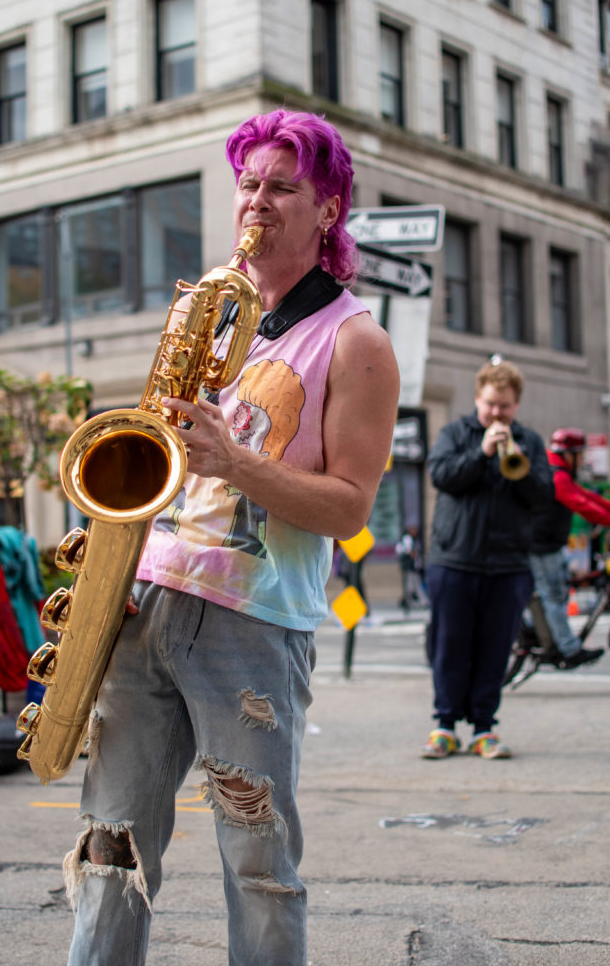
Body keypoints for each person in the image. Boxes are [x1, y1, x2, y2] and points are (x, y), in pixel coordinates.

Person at [64, 109, 399, 966]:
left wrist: (236, 461)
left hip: (251, 629)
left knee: (257, 863)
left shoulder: (357, 340)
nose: (257, 201)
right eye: (248, 183)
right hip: (148, 606)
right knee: (110, 847)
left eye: (282, 186)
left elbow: (351, 506)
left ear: (328, 210)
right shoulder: (216, 318)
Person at [421, 357, 552, 761]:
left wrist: (519, 466)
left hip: (508, 565)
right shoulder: (454, 434)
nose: (497, 413)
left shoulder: (528, 442)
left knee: (495, 649)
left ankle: (483, 729)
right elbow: (441, 476)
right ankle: (444, 726)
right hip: (454, 560)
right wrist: (481, 453)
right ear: (478, 398)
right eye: (491, 403)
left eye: (505, 406)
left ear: (516, 405)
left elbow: (543, 496)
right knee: (449, 646)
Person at [529, 427, 609, 667]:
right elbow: (580, 503)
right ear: (569, 454)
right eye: (580, 454)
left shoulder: (557, 471)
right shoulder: (556, 475)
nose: (583, 459)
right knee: (552, 595)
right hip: (542, 547)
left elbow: (585, 496)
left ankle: (550, 637)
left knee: (558, 592)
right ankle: (568, 650)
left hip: (548, 544)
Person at [395, 525, 426, 610]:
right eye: (413, 529)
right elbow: (409, 551)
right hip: (410, 566)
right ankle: (412, 601)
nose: (415, 531)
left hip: (412, 566)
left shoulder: (413, 539)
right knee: (412, 584)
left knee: (413, 584)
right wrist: (413, 555)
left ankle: (413, 600)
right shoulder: (407, 539)